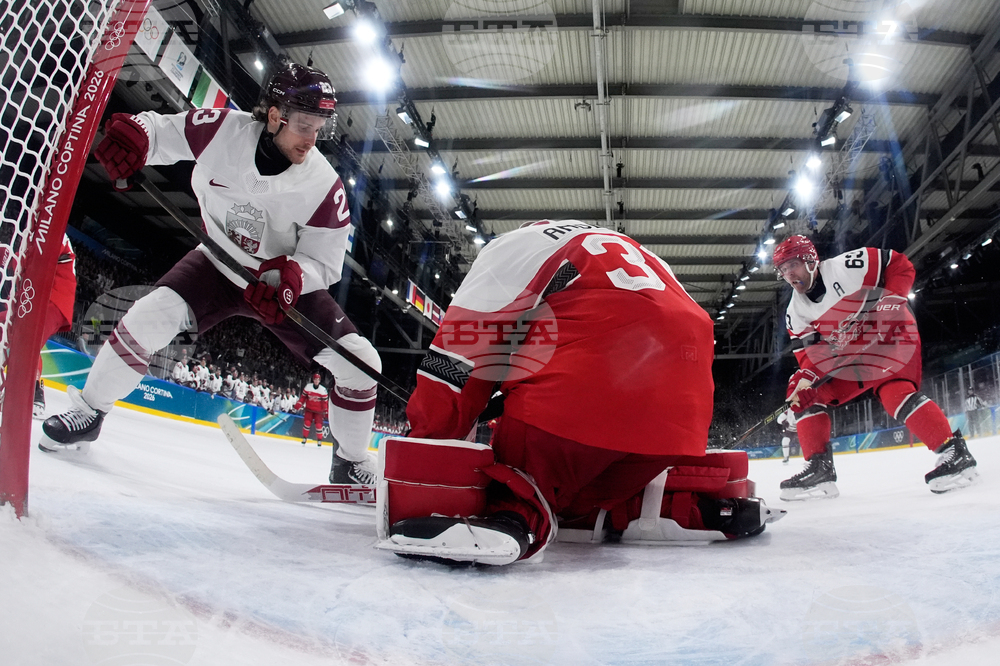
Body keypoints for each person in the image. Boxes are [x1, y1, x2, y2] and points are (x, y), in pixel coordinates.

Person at [39, 63, 382, 485]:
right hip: (217, 261)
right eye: (304, 125)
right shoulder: (222, 129)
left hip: (277, 286)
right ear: (275, 115)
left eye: (319, 128)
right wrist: (137, 137)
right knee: (149, 315)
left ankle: (349, 463)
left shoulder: (325, 187)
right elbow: (161, 130)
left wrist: (291, 280)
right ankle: (90, 411)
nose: (311, 139)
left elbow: (324, 261)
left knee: (362, 362)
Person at [375, 220, 784, 566]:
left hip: (592, 389)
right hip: (683, 414)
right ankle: (696, 506)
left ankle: (511, 520)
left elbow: (461, 355)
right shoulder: (625, 249)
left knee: (523, 479)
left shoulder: (505, 253)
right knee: (580, 503)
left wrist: (427, 448)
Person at [773, 235, 978, 500]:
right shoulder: (795, 312)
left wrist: (891, 298)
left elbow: (900, 264)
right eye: (783, 269)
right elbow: (812, 356)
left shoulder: (847, 267)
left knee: (894, 392)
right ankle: (819, 468)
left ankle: (954, 451)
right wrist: (806, 378)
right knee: (807, 395)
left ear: (811, 261)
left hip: (892, 333)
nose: (789, 273)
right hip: (855, 355)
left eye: (793, 265)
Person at [295, 372, 328, 446]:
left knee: (319, 426)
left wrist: (325, 411)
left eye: (318, 380)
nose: (316, 381)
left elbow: (325, 402)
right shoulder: (308, 387)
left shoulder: (323, 390)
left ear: (319, 381)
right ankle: (304, 438)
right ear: (313, 380)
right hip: (309, 410)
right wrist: (299, 404)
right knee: (307, 423)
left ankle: (319, 440)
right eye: (315, 379)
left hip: (318, 412)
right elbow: (303, 398)